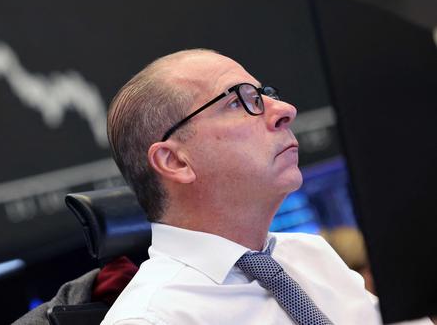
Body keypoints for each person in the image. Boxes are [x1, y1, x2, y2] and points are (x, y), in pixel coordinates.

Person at [103, 49, 433, 324]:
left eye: (265, 95)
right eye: (237, 102)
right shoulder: (151, 318)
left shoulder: (308, 253)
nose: (285, 111)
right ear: (175, 162)